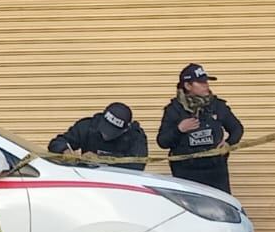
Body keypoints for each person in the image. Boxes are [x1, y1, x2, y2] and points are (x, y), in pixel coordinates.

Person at [157, 64, 245, 193]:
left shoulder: (217, 105)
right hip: (186, 172)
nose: (206, 85)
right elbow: (162, 142)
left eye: (206, 82)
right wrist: (179, 129)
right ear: (187, 86)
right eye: (201, 82)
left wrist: (228, 143)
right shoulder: (174, 110)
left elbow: (237, 129)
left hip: (215, 171)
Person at [47, 102, 149, 171]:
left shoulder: (135, 136)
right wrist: (65, 151)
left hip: (121, 183)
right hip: (90, 180)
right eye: (105, 129)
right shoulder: (88, 126)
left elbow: (138, 164)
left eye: (112, 132)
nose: (106, 135)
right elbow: (56, 143)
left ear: (125, 130)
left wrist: (101, 159)